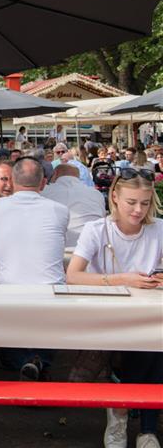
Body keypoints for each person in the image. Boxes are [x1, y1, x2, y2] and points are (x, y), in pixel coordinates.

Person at [66, 168, 162, 448]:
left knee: (153, 346)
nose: (138, 210)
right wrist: (123, 279)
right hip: (107, 315)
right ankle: (145, 429)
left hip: (147, 313)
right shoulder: (97, 229)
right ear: (115, 197)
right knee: (150, 349)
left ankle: (122, 415)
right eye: (132, 202)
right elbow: (73, 276)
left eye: (144, 203)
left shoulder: (159, 229)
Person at [0, 157, 68, 380]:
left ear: (13, 180)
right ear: (43, 183)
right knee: (49, 322)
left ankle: (26, 361)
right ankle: (37, 361)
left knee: (0, 324)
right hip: (52, 296)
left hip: (9, 294)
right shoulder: (60, 210)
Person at [41, 164, 106, 247]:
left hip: (55, 248)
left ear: (55, 174)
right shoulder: (96, 194)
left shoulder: (44, 191)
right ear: (77, 176)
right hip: (91, 247)